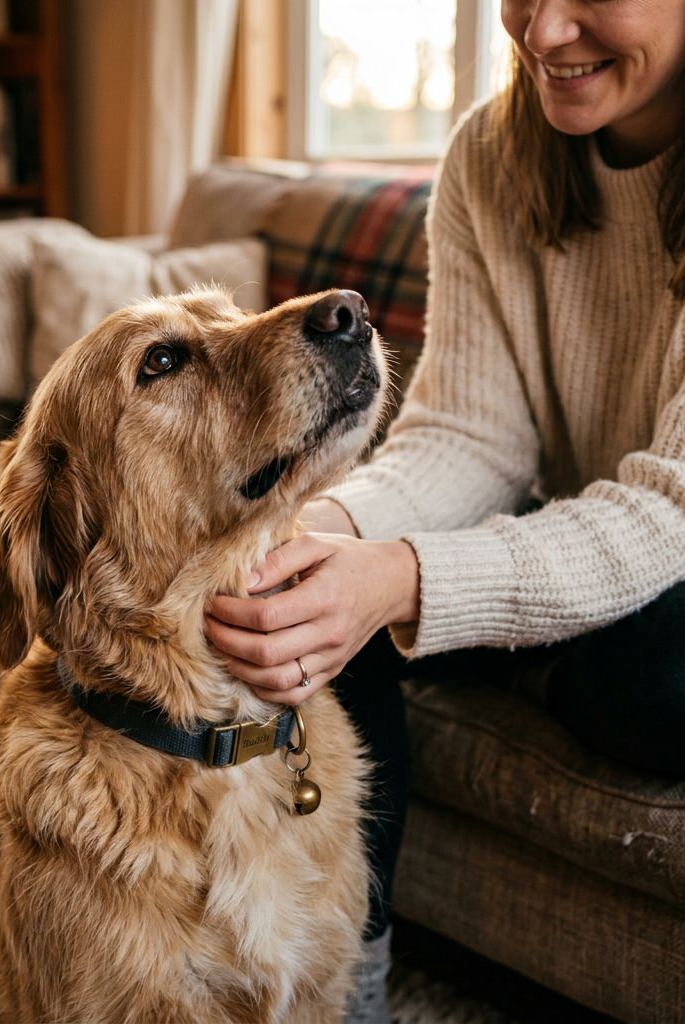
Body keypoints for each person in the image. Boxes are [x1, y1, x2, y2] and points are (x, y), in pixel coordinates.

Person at [206, 1, 685, 1020]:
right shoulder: (489, 153)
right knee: (329, 604)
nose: (544, 31)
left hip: (668, 565)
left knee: (662, 675)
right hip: (561, 526)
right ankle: (353, 978)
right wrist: (326, 539)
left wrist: (422, 579)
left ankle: (530, 640)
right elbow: (469, 438)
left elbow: (667, 508)